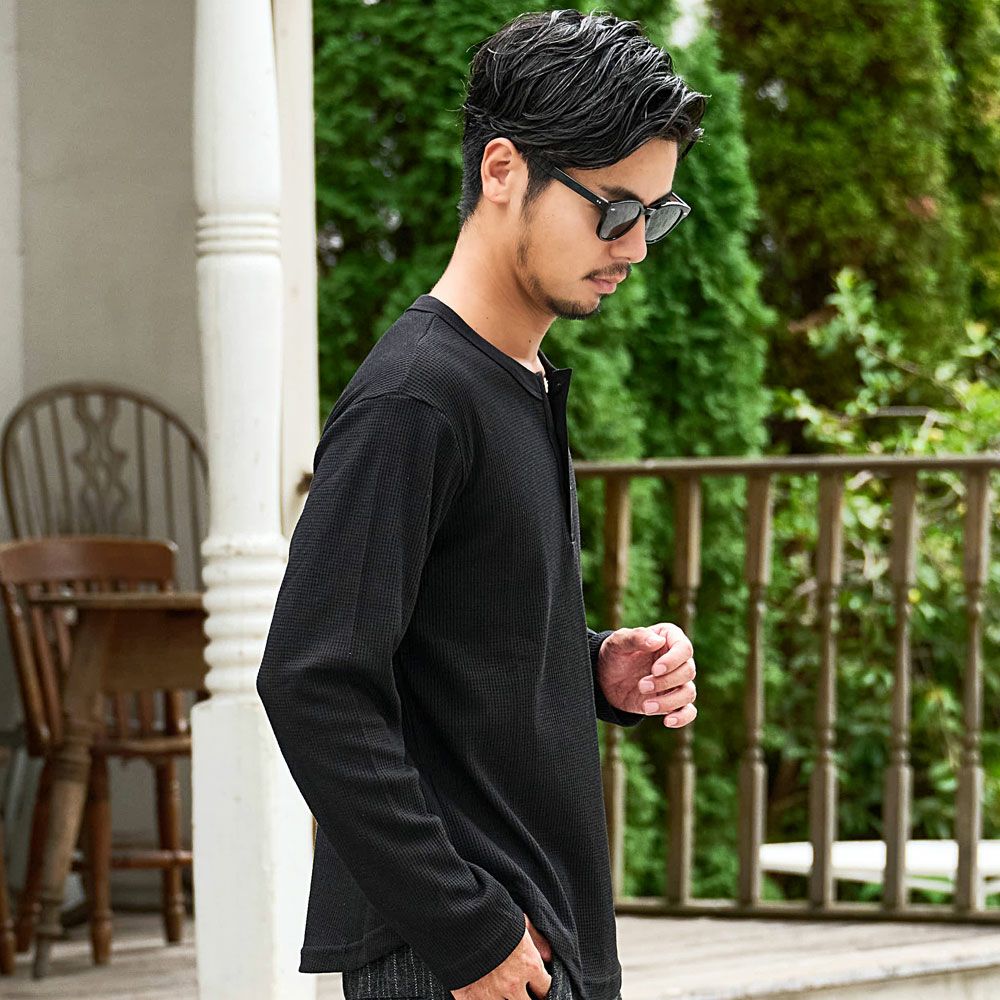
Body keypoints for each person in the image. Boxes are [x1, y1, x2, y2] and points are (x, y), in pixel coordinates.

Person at [255, 9, 706, 1000]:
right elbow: (312, 677)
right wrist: (467, 931)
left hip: (532, 936)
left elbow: (444, 642)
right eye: (613, 209)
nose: (635, 246)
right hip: (459, 958)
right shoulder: (417, 397)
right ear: (503, 170)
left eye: (655, 213)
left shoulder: (512, 378)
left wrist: (592, 666)